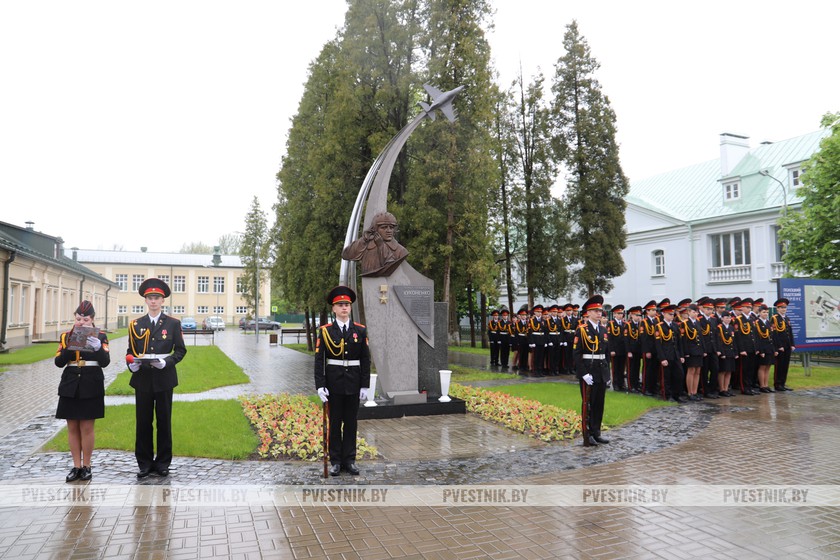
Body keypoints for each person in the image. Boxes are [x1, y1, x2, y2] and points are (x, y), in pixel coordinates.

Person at [126, 278, 187, 478]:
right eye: (150, 298)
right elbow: (130, 351)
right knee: (143, 422)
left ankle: (162, 463)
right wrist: (131, 365)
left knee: (163, 422)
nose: (153, 301)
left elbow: (180, 350)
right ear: (145, 300)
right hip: (142, 379)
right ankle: (144, 463)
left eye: (156, 298)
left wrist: (167, 362)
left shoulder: (173, 324)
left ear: (162, 301)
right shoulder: (136, 324)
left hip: (164, 378)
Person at [314, 286, 371, 476]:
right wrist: (320, 385)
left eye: (347, 304)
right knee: (335, 423)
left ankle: (350, 460)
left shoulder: (360, 330)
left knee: (351, 423)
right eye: (340, 305)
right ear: (334, 309)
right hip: (334, 384)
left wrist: (365, 385)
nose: (344, 307)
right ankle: (336, 461)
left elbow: (365, 359)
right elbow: (319, 360)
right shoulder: (325, 331)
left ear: (350, 307)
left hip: (354, 383)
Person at [54, 301, 110, 482]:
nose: (81, 322)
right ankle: (76, 466)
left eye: (85, 320)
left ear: (92, 319)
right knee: (72, 427)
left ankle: (87, 466)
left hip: (91, 383)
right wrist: (71, 346)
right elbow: (58, 362)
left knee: (86, 427)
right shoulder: (66, 336)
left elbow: (105, 362)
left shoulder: (100, 336)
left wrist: (97, 347)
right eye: (78, 319)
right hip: (70, 383)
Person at [573, 295, 611, 446]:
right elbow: (576, 354)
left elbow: (606, 354)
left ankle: (596, 432)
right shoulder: (582, 330)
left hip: (601, 371)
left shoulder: (603, 330)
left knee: (599, 404)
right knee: (588, 404)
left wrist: (607, 373)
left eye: (600, 311)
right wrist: (583, 374)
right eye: (595, 311)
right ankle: (587, 435)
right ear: (588, 313)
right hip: (589, 371)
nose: (598, 313)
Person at [341, 211, 409, 277]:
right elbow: (346, 255)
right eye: (384, 227)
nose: (389, 231)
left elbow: (390, 266)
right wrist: (364, 240)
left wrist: (381, 246)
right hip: (368, 282)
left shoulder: (401, 251)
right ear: (375, 229)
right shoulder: (366, 245)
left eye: (391, 227)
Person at [655, 304, 686, 403]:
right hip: (666, 355)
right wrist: (662, 358)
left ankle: (677, 394)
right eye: (670, 314)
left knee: (679, 375)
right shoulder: (659, 326)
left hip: (675, 355)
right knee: (666, 377)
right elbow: (658, 344)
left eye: (673, 314)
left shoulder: (675, 325)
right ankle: (667, 395)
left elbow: (679, 342)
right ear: (664, 314)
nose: (672, 316)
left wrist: (681, 355)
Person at [771, 298, 795, 391]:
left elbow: (790, 332)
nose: (783, 309)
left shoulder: (787, 318)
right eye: (781, 307)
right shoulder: (775, 318)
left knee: (785, 365)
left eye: (785, 307)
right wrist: (779, 346)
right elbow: (774, 334)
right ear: (777, 309)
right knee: (779, 365)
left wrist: (792, 344)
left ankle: (783, 383)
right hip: (780, 346)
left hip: (787, 345)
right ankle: (777, 384)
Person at [713, 312, 738, 397]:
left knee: (729, 371)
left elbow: (734, 341)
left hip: (730, 352)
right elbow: (718, 341)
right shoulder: (719, 328)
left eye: (729, 318)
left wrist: (735, 352)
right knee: (723, 371)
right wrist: (721, 352)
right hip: (724, 352)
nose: (728, 319)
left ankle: (726, 389)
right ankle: (721, 389)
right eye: (726, 318)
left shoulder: (731, 327)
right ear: (722, 318)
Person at [754, 305, 777, 392]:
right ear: (759, 312)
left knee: (768, 367)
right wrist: (761, 350)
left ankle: (766, 385)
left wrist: (774, 349)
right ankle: (762, 385)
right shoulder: (757, 323)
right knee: (762, 367)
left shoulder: (768, 322)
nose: (766, 314)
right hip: (762, 348)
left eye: (767, 312)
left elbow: (772, 337)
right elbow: (757, 338)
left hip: (769, 348)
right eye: (764, 312)